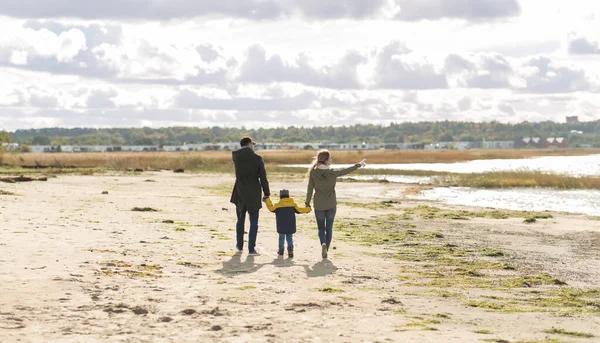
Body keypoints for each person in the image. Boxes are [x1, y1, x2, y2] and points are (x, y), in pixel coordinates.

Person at [305, 150, 366, 258]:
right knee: (329, 228)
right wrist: (359, 165)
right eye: (330, 158)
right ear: (326, 160)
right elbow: (346, 170)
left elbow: (310, 190)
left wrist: (307, 203)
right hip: (331, 204)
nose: (331, 160)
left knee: (321, 228)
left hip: (318, 204)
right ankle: (326, 250)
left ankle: (323, 244)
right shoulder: (332, 172)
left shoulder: (313, 173)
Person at [230, 136, 270, 255]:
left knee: (240, 220)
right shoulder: (257, 158)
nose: (253, 146)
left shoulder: (235, 156)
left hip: (240, 190)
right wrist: (266, 193)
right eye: (252, 144)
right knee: (253, 222)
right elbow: (263, 177)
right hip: (253, 191)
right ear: (249, 144)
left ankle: (239, 246)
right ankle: (251, 249)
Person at [265, 189, 311, 258]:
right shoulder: (293, 205)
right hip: (290, 225)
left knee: (281, 237)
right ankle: (290, 250)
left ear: (280, 197)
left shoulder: (278, 206)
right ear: (288, 196)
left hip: (281, 225)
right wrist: (308, 209)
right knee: (289, 237)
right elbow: (300, 210)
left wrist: (267, 199)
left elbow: (271, 208)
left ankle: (281, 251)